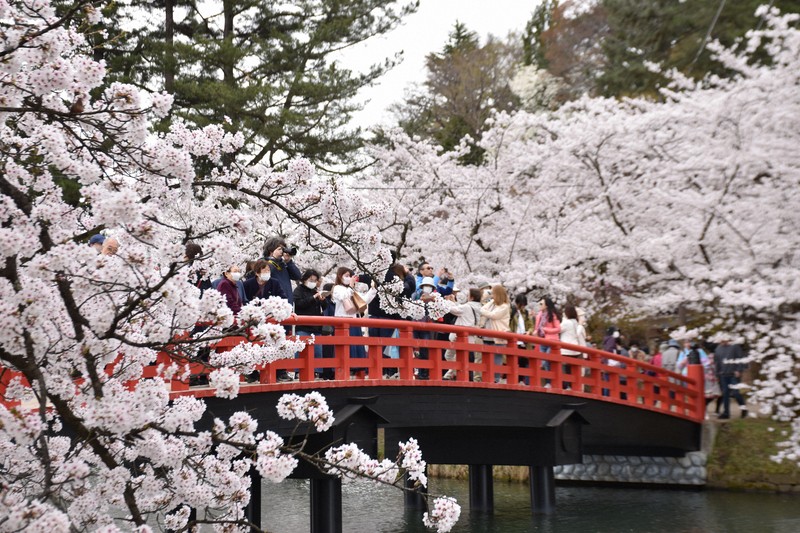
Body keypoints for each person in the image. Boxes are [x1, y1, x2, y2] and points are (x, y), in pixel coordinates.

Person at [332, 266, 377, 378]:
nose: (349, 279)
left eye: (350, 276)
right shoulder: (337, 288)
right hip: (342, 321)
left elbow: (364, 301)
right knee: (345, 347)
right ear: (340, 276)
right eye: (346, 276)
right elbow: (343, 296)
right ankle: (344, 371)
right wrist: (351, 286)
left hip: (353, 320)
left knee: (355, 346)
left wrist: (372, 289)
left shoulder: (352, 291)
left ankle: (357, 370)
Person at [293, 269, 328, 379]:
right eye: (311, 279)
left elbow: (324, 307)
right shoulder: (298, 290)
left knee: (317, 351)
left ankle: (316, 371)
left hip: (316, 326)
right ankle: (298, 371)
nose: (313, 282)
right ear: (305, 279)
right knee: (301, 349)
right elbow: (299, 304)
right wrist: (313, 298)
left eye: (315, 280)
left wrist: (322, 300)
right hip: (303, 325)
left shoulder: (315, 291)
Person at [443, 288, 483, 380]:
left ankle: (451, 374)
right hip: (471, 337)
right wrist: (452, 302)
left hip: (459, 337)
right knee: (459, 357)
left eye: (468, 295)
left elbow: (454, 310)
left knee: (448, 355)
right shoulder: (479, 307)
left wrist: (445, 302)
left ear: (471, 297)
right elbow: (460, 308)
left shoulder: (467, 307)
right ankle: (451, 374)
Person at [480, 285, 511, 383]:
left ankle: (496, 379)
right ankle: (486, 378)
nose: (492, 295)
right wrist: (485, 296)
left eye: (493, 293)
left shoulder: (504, 306)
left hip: (498, 335)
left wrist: (484, 311)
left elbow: (494, 315)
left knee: (497, 358)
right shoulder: (492, 303)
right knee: (486, 358)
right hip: (487, 334)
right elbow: (482, 307)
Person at [715, 335, 748, 419]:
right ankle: (726, 413)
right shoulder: (718, 349)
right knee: (725, 394)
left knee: (736, 393)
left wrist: (739, 370)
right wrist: (717, 374)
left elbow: (740, 358)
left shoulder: (735, 347)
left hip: (733, 374)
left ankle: (743, 408)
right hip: (723, 374)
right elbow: (717, 362)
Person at [263, 237, 302, 304]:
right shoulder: (263, 262)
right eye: (279, 249)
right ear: (271, 250)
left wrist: (289, 262)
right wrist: (273, 259)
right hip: (272, 303)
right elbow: (265, 273)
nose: (282, 251)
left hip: (286, 303)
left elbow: (297, 276)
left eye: (283, 249)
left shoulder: (283, 264)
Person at [559, 305, 586, 390]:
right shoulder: (576, 323)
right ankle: (570, 387)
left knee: (564, 369)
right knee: (570, 370)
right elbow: (577, 335)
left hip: (566, 350)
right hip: (575, 350)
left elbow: (558, 329)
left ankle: (565, 386)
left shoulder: (566, 322)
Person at [510, 294, 534, 385]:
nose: (523, 306)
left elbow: (531, 325)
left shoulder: (526, 313)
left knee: (523, 361)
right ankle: (510, 379)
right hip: (514, 340)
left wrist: (529, 332)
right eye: (521, 304)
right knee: (513, 360)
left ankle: (520, 380)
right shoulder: (511, 311)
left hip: (524, 341)